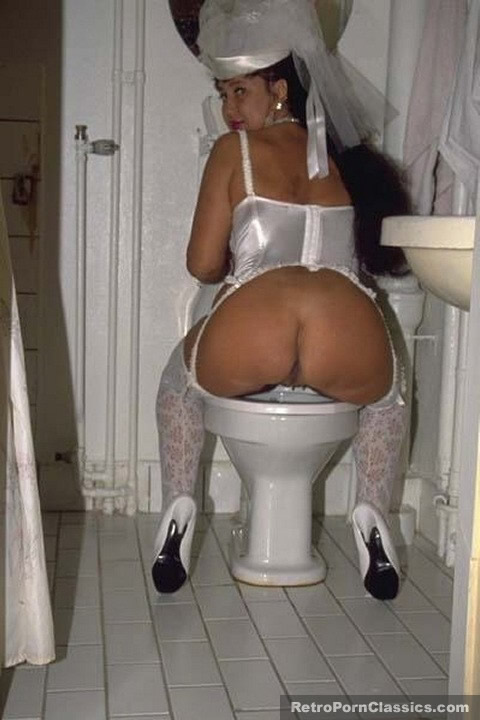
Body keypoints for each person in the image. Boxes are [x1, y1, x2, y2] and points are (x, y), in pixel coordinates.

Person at [152, 0, 410, 601]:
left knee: (177, 384)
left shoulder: (232, 153)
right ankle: (372, 511)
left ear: (280, 89)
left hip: (256, 327)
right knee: (390, 395)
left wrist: (237, 261)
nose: (229, 108)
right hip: (343, 328)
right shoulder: (352, 162)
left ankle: (178, 506)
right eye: (223, 93)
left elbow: (201, 266)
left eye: (240, 91)